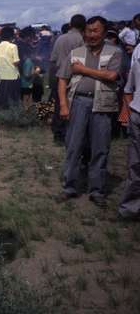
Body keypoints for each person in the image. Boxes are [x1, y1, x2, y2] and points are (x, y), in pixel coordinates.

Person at [57, 16, 122, 208]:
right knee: (73, 146)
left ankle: (97, 190)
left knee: (100, 148)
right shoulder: (76, 52)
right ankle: (69, 187)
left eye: (95, 31)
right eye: (88, 31)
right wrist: (63, 105)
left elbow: (112, 75)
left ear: (104, 32)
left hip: (103, 103)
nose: (91, 35)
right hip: (78, 102)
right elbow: (62, 79)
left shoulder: (114, 52)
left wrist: (82, 69)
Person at [49, 14, 86, 143]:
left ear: (70, 24)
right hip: (76, 76)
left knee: (60, 104)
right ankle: (72, 133)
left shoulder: (60, 38)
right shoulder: (82, 39)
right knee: (75, 105)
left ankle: (58, 133)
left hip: (59, 75)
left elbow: (53, 59)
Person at [119, 57, 140, 220]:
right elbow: (128, 89)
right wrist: (129, 111)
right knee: (135, 165)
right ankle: (130, 209)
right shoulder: (138, 56)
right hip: (137, 115)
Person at [0, 26, 20, 109]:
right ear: (11, 36)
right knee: (13, 95)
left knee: (2, 93)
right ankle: (13, 109)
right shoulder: (13, 46)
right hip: (12, 74)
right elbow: (16, 61)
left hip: (1, 73)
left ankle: (2, 107)